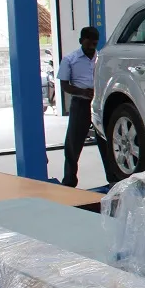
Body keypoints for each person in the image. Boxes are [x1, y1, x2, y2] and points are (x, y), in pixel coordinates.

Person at [57, 27, 99, 187]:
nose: (91, 47)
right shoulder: (70, 59)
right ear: (81, 41)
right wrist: (83, 92)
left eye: (94, 44)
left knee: (105, 143)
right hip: (80, 104)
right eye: (88, 43)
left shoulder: (100, 58)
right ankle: (69, 181)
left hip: (99, 102)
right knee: (73, 144)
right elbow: (65, 86)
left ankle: (113, 178)